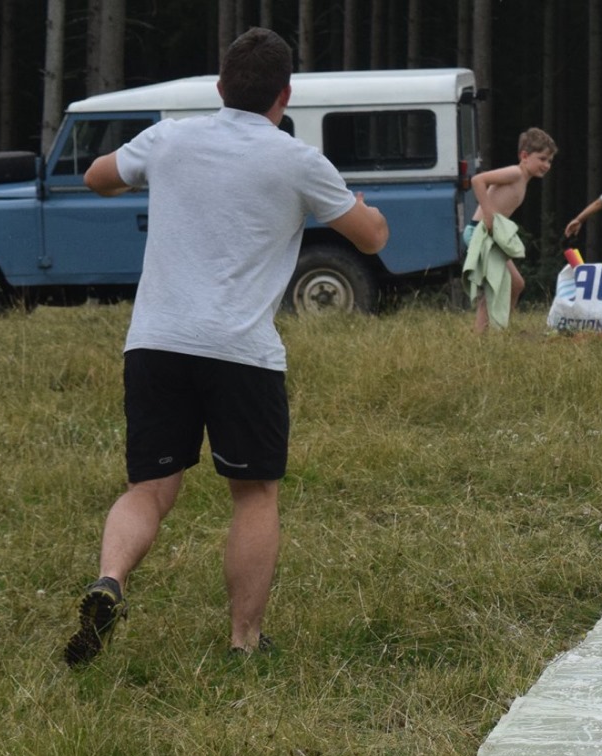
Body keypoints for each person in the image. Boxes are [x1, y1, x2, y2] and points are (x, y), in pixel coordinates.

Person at [62, 27, 388, 666]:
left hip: (156, 343)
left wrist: (138, 172)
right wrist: (358, 204)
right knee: (254, 495)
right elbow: (372, 237)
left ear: (220, 87)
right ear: (284, 96)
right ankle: (244, 641)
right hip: (243, 352)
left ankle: (110, 580)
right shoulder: (296, 158)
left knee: (149, 489)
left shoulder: (172, 136)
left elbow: (98, 176)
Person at [465, 127, 558, 332]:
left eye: (549, 161)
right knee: (494, 287)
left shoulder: (523, 180)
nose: (546, 165)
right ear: (524, 156)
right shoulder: (515, 173)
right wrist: (489, 215)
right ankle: (481, 339)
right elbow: (478, 180)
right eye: (542, 158)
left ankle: (500, 330)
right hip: (480, 234)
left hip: (491, 237)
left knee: (516, 284)